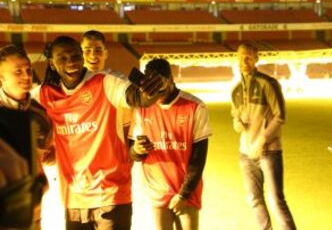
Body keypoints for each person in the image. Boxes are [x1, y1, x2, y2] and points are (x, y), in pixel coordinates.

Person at [31, 35, 163, 230]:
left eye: (76, 55)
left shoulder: (106, 83)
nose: (71, 62)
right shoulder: (44, 95)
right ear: (51, 63)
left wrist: (150, 92)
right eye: (63, 58)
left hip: (111, 195)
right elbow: (14, 104)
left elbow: (136, 97)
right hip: (73, 198)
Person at [128, 58, 211, 230]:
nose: (157, 95)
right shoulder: (141, 107)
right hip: (156, 190)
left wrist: (183, 194)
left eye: (161, 89)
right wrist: (137, 149)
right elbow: (133, 154)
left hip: (185, 191)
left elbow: (199, 158)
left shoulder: (195, 107)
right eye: (153, 90)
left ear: (171, 80)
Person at [231, 43, 296, 230]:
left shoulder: (269, 83)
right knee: (254, 199)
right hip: (245, 154)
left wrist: (262, 141)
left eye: (249, 56)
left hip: (269, 152)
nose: (245, 60)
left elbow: (280, 116)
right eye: (241, 56)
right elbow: (235, 118)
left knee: (276, 200)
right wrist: (237, 124)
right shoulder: (235, 90)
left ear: (256, 58)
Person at [0, 45, 53, 229]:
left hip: (32, 209)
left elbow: (44, 156)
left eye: (28, 70)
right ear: (1, 78)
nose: (26, 76)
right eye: (18, 72)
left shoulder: (41, 115)